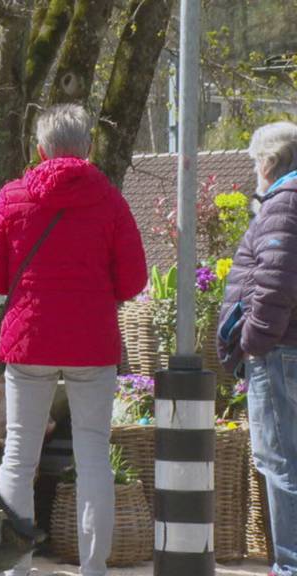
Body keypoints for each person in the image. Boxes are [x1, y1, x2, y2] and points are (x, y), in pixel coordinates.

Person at [0, 104, 147, 576]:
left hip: (29, 344)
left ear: (40, 149)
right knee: (93, 455)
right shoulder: (110, 201)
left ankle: (17, 567)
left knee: (17, 456)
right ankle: (94, 569)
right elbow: (133, 280)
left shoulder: (12, 197)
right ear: (88, 147)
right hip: (92, 345)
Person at [218, 121, 297, 576]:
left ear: (269, 161)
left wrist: (252, 342)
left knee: (280, 462)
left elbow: (274, 283)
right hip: (284, 347)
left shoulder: (285, 200)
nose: (254, 171)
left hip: (279, 351)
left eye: (255, 162)